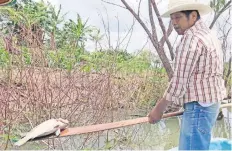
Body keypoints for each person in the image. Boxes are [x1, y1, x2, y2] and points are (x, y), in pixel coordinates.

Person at [148, 0, 226, 150]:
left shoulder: (192, 38)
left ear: (193, 16)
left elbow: (179, 83)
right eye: (172, 19)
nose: (174, 23)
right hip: (210, 105)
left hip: (199, 108)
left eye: (178, 17)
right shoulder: (209, 34)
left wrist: (158, 110)